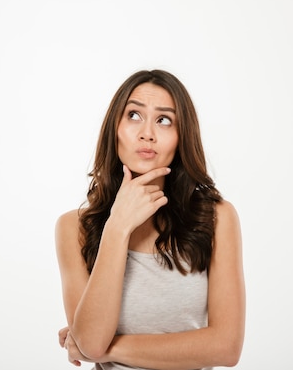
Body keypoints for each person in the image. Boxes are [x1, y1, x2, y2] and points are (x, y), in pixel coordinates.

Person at [55, 69, 245, 369]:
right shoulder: (73, 228)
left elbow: (226, 347)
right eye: (133, 115)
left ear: (181, 137)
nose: (147, 133)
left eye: (164, 120)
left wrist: (108, 350)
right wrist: (117, 227)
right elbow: (90, 342)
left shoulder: (217, 218)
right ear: (113, 129)